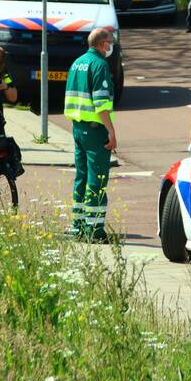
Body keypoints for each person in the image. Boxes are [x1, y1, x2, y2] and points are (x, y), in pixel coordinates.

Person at [63, 28, 117, 243]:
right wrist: (111, 130)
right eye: (110, 42)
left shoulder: (77, 62)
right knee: (97, 179)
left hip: (77, 128)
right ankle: (94, 230)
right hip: (94, 130)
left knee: (81, 177)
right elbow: (101, 102)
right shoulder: (99, 65)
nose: (111, 46)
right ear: (102, 43)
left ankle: (78, 225)